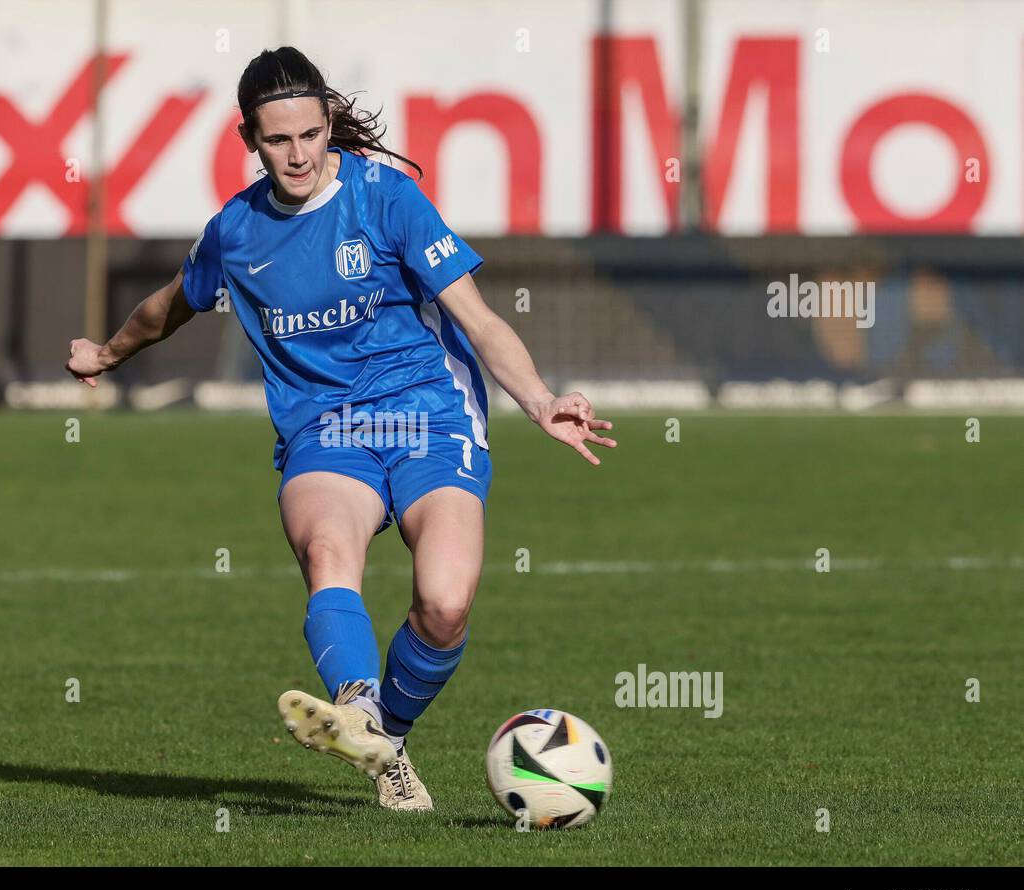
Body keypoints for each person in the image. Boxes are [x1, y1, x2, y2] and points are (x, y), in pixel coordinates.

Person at [66, 47, 615, 812]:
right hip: (325, 428)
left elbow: (480, 321)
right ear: (249, 140)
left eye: (310, 134)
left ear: (330, 124)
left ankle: (381, 733)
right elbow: (169, 306)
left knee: (446, 603)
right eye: (277, 140)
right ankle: (360, 707)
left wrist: (539, 398)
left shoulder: (387, 199)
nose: (297, 154)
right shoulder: (237, 231)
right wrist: (108, 351)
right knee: (329, 550)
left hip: (427, 411)